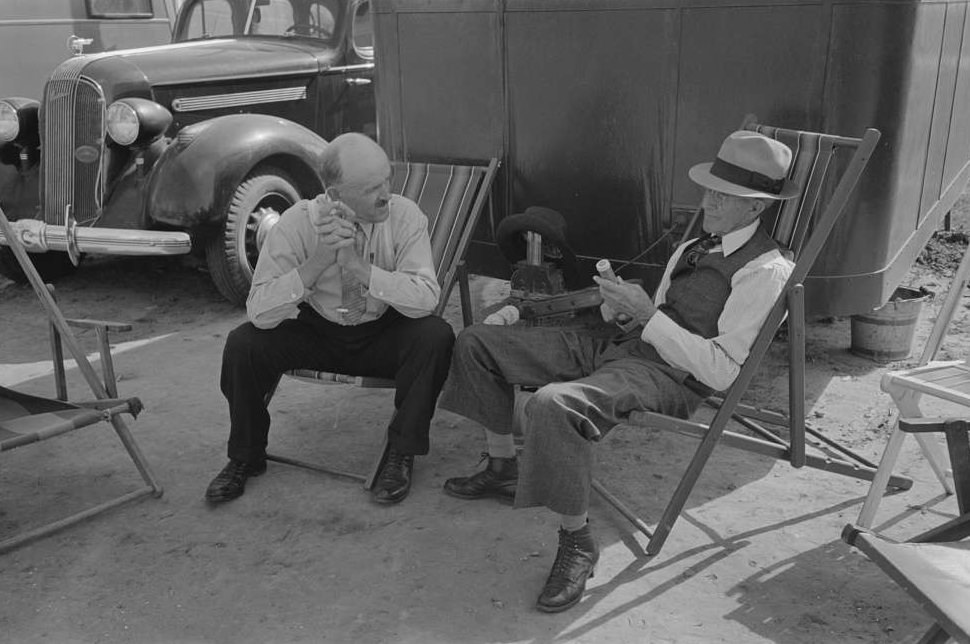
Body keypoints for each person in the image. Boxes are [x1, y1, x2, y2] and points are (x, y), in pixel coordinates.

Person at [437, 130, 798, 612]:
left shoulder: (765, 272)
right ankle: (503, 464)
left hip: (671, 377)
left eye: (724, 194)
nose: (708, 199)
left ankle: (577, 541)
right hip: (626, 346)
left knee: (553, 403)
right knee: (477, 341)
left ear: (756, 208)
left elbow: (723, 372)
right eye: (710, 186)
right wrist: (626, 309)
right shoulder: (695, 245)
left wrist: (649, 317)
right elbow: (661, 313)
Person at [205, 133, 454, 506]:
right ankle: (245, 456)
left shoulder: (404, 216)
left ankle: (400, 454)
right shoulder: (296, 224)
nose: (386, 192)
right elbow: (259, 311)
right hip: (317, 331)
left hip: (381, 330)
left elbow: (425, 299)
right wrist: (317, 264)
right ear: (335, 196)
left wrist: (359, 267)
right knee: (243, 344)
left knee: (435, 336)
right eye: (372, 188)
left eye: (387, 179)